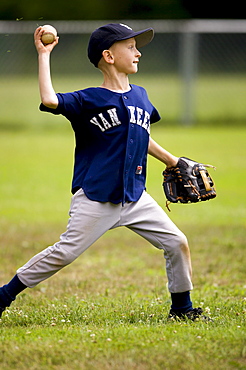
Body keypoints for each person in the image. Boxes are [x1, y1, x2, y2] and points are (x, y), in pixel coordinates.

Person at [0, 23, 208, 321]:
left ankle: (182, 309)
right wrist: (44, 54)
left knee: (177, 242)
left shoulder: (142, 96)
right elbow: (49, 100)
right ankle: (3, 295)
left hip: (135, 196)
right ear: (109, 56)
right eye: (131, 47)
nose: (138, 53)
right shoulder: (89, 99)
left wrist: (172, 160)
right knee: (64, 253)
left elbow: (139, 133)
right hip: (97, 197)